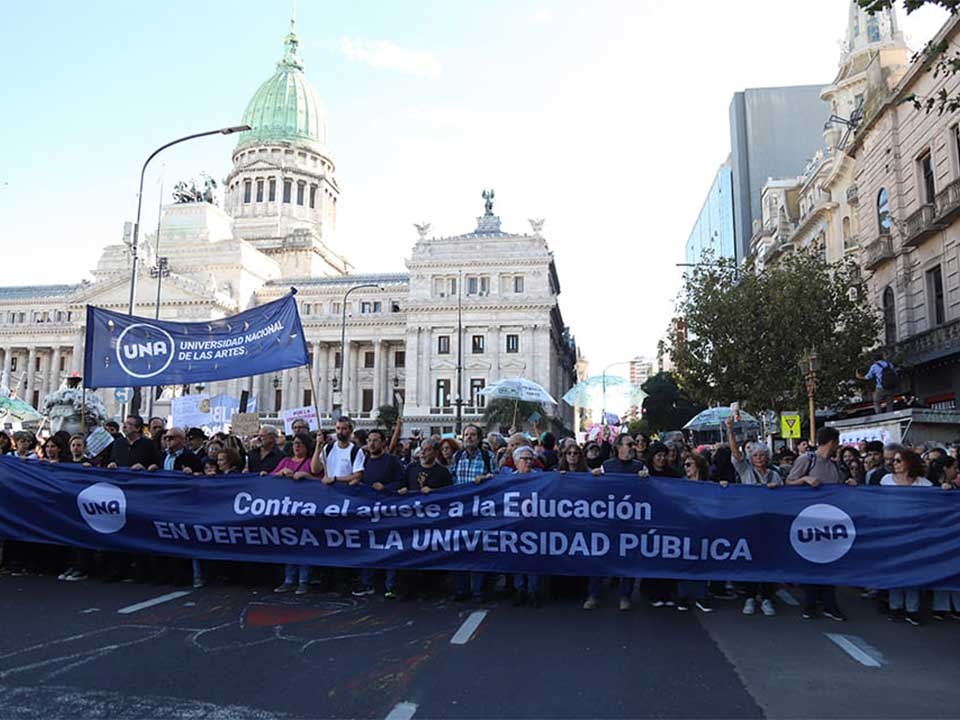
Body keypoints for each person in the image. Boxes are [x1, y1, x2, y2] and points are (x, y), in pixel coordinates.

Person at [787, 426, 853, 621]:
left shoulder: (834, 466)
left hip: (829, 522)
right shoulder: (806, 460)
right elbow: (789, 482)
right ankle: (810, 603)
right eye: (837, 442)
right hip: (808, 519)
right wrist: (805, 479)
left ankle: (829, 604)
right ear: (832, 442)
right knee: (811, 562)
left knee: (829, 563)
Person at [724, 415, 780, 615]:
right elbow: (735, 454)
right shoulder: (746, 471)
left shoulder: (776, 476)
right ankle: (749, 597)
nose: (759, 459)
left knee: (767, 561)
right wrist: (730, 430)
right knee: (750, 559)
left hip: (769, 524)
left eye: (762, 455)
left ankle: (766, 598)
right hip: (749, 522)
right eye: (755, 456)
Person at [879, 448, 935, 625]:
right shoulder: (886, 481)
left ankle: (912, 609)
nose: (893, 464)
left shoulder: (924, 484)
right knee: (895, 569)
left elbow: (932, 507)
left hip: (915, 533)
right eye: (893, 461)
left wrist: (946, 489)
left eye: (898, 461)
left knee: (912, 570)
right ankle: (896, 607)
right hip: (892, 531)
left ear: (909, 463)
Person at [352, 428, 404, 599]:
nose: (372, 443)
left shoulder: (392, 461)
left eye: (375, 440)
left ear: (383, 442)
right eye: (369, 440)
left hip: (388, 512)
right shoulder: (363, 462)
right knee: (368, 547)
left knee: (390, 547)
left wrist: (386, 488)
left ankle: (392, 585)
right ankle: (367, 583)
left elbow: (401, 482)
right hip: (368, 512)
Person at [272, 433, 322, 596]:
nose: (296, 446)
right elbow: (270, 479)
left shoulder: (310, 463)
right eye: (294, 443)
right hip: (287, 510)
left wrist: (307, 477)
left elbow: (322, 481)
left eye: (300, 443)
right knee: (290, 546)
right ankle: (288, 580)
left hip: (306, 511)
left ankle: (303, 581)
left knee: (304, 547)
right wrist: (280, 474)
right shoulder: (285, 462)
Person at [675, 453, 713, 613]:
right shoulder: (681, 484)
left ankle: (701, 596)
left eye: (689, 464)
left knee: (703, 560)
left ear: (698, 465)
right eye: (684, 464)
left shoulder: (709, 485)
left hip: (704, 527)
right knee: (684, 561)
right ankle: (683, 596)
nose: (686, 467)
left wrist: (724, 487)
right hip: (685, 527)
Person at [510, 446, 543, 608]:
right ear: (516, 462)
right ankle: (519, 590)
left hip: (534, 526)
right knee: (517, 559)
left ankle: (533, 591)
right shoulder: (507, 479)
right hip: (515, 526)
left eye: (531, 459)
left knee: (533, 560)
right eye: (525, 459)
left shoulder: (541, 478)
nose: (528, 462)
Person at [314, 416, 365, 485]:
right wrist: (318, 446)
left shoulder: (356, 451)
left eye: (344, 429)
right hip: (328, 491)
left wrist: (335, 479)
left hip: (345, 492)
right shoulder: (328, 447)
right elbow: (315, 469)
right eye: (338, 428)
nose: (340, 432)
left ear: (350, 430)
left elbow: (357, 475)